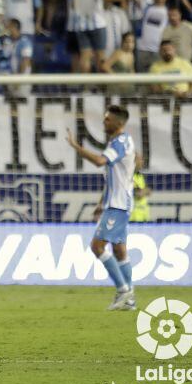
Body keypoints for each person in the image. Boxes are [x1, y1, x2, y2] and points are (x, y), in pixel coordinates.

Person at [65, 105, 136, 311]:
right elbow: (111, 179)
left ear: (119, 123)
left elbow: (98, 161)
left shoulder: (121, 142)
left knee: (97, 246)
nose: (104, 122)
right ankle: (129, 300)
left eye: (108, 119)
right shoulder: (118, 142)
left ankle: (123, 291)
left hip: (119, 204)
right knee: (119, 249)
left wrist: (76, 147)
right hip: (117, 203)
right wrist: (100, 203)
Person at [130, 154, 151, 223]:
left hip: (143, 217)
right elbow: (138, 194)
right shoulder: (128, 176)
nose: (142, 162)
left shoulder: (140, 176)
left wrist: (144, 191)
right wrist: (144, 191)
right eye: (140, 160)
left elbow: (149, 191)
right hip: (131, 218)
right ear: (133, 161)